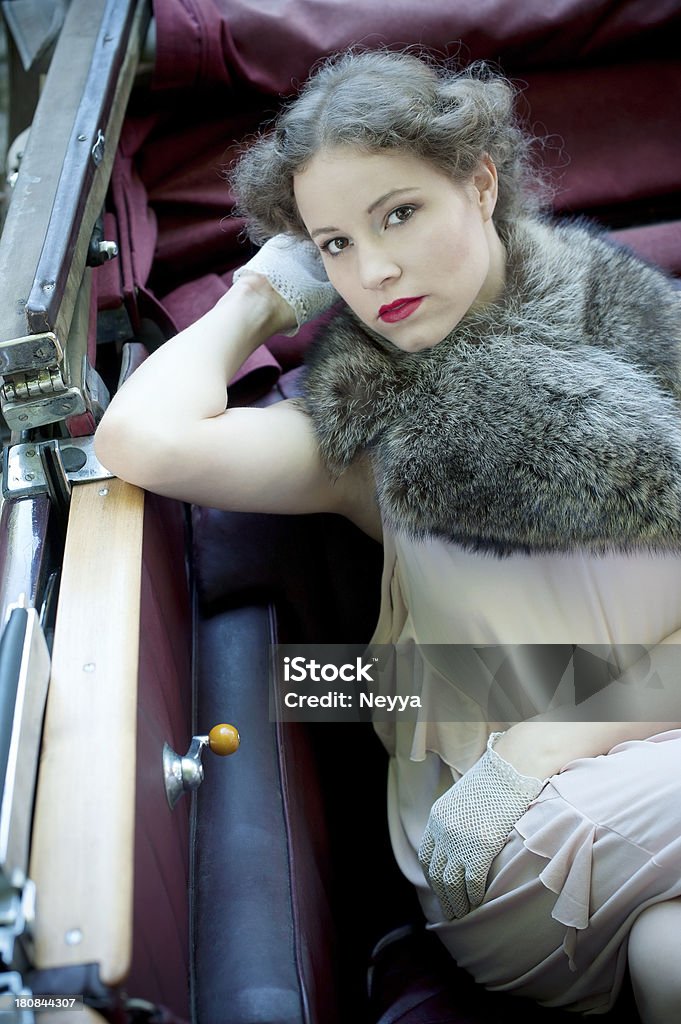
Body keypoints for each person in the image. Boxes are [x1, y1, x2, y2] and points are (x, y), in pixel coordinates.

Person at [94, 49, 681, 1022]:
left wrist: (541, 733)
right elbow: (137, 439)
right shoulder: (366, 436)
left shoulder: (648, 336)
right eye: (334, 244)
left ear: (481, 182)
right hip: (512, 829)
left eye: (399, 214)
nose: (375, 272)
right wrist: (256, 295)